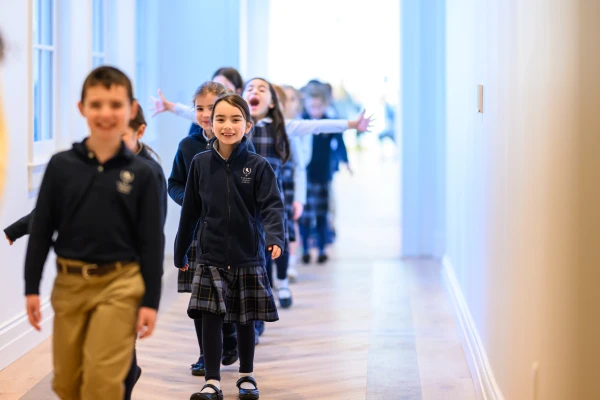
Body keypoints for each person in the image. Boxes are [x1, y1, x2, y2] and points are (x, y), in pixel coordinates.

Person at [24, 66, 165, 400]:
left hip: (120, 284)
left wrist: (150, 300)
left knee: (102, 385)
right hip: (70, 285)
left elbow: (151, 243)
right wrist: (31, 287)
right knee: (68, 385)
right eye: (97, 104)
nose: (106, 113)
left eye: (115, 105)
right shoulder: (61, 167)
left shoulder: (143, 174)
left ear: (131, 110)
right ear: (82, 108)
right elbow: (42, 229)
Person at [175, 93, 285, 400]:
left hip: (248, 256)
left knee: (245, 318)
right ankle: (212, 381)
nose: (227, 125)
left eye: (236, 119)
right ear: (209, 125)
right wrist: (180, 249)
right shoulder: (199, 163)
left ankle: (246, 375)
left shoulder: (258, 166)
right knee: (209, 318)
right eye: (220, 119)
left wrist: (276, 238)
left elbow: (273, 207)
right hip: (209, 255)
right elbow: (190, 212)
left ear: (247, 126)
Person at [168, 81, 252, 376]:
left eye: (211, 108)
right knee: (201, 298)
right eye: (200, 108)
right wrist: (192, 200)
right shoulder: (187, 146)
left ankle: (229, 342)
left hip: (232, 235)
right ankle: (205, 354)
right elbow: (175, 184)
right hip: (198, 234)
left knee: (229, 294)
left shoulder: (242, 144)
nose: (205, 114)